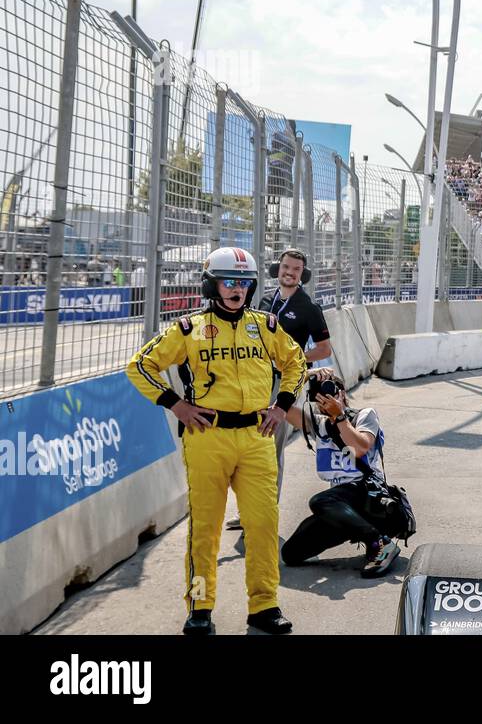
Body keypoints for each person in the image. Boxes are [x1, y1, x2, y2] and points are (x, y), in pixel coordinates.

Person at [126, 246, 306, 635]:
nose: (237, 289)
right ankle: (200, 606)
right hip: (207, 438)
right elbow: (140, 366)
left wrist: (282, 405)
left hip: (257, 437)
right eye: (229, 281)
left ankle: (264, 606)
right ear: (212, 284)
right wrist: (176, 405)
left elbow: (296, 363)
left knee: (262, 524)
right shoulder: (187, 329)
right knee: (205, 529)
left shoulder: (267, 326)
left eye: (244, 282)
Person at [226, 248, 334, 531]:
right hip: (253, 379)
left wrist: (292, 358)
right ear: (278, 269)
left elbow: (324, 348)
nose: (290, 272)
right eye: (286, 267)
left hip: (284, 381)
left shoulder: (309, 307)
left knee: (271, 444)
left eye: (296, 269)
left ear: (302, 274)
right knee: (249, 445)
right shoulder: (264, 299)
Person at [280, 369, 402, 577]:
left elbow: (361, 446)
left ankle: (378, 542)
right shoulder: (317, 423)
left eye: (331, 391)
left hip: (367, 496)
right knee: (291, 553)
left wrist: (339, 416)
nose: (326, 399)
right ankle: (355, 529)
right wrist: (305, 375)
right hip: (339, 505)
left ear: (342, 393)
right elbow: (281, 406)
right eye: (320, 394)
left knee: (319, 501)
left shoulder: (364, 415)